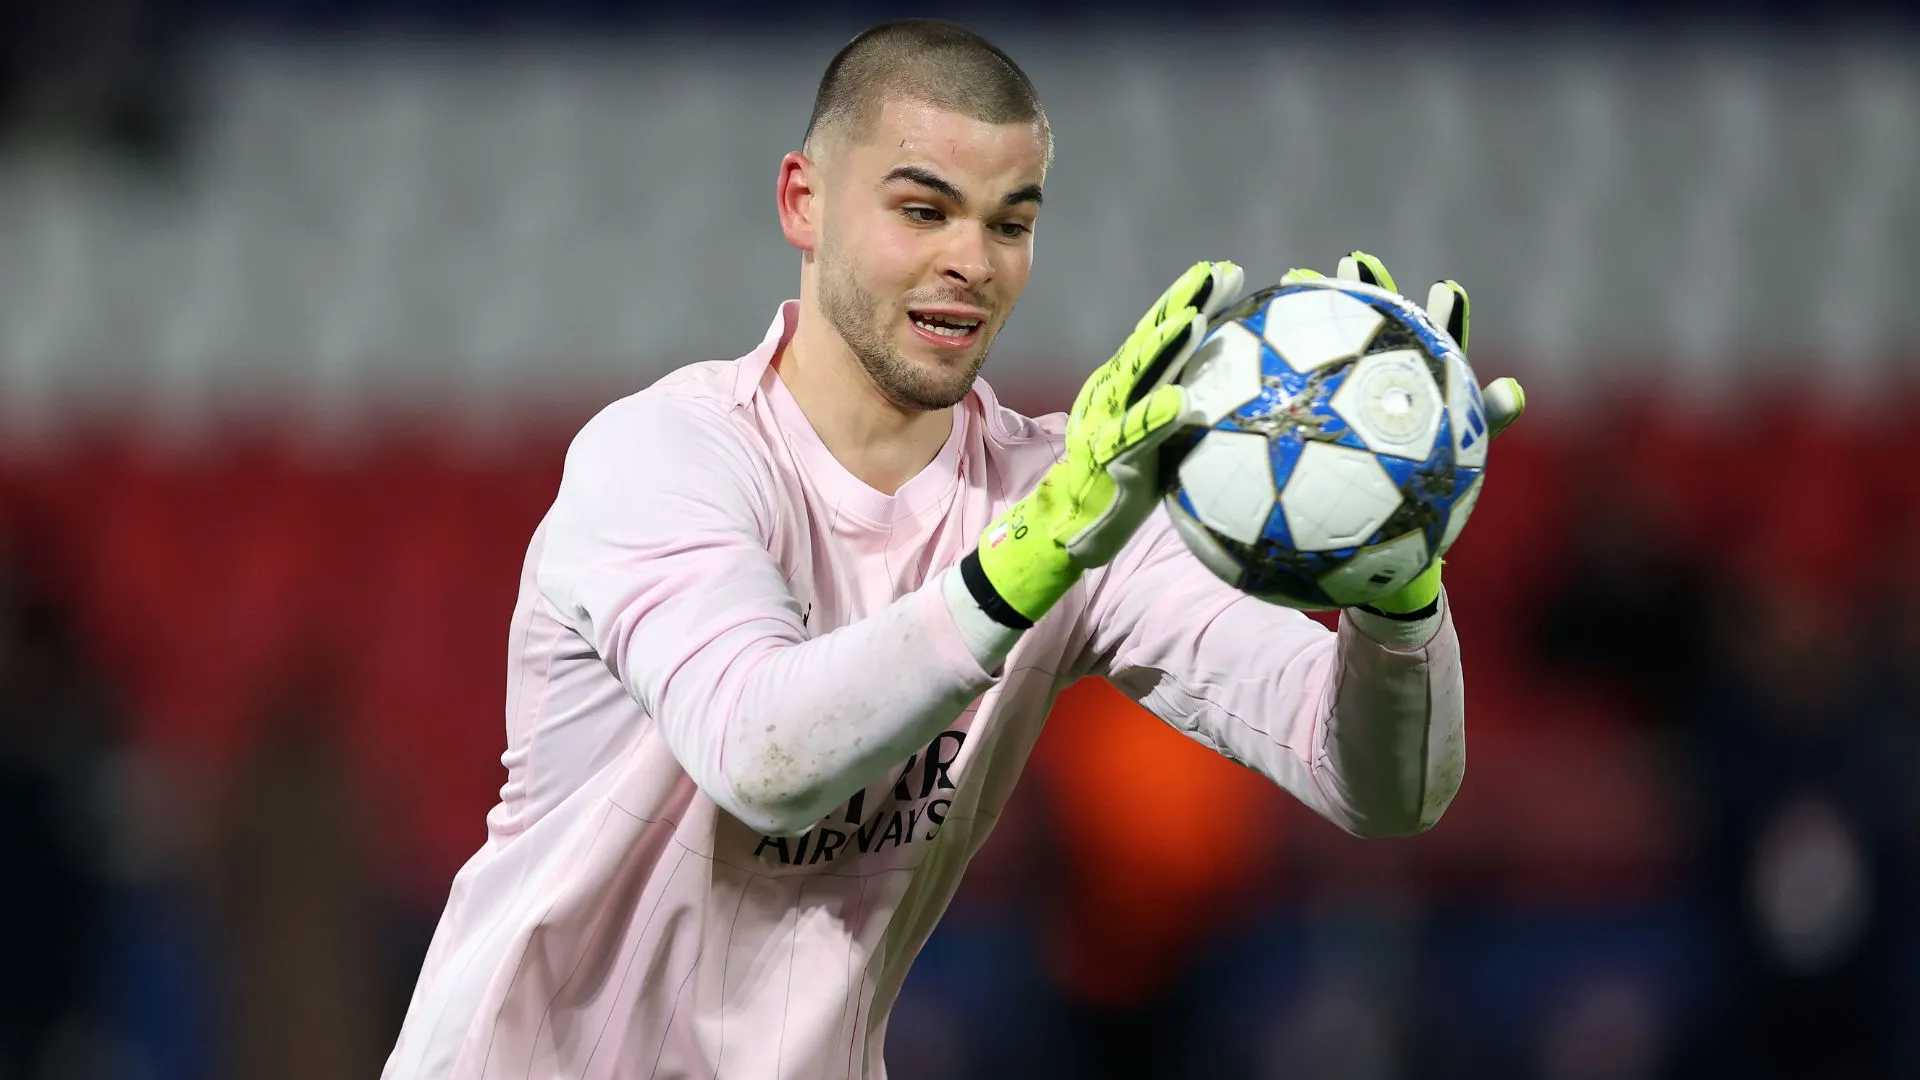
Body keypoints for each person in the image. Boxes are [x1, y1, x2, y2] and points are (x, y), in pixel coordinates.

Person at [382, 18, 1523, 1079]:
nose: (972, 259)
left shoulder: (1068, 497)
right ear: (804, 201)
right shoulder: (665, 459)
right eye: (924, 211)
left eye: (1011, 221)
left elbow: (1381, 788)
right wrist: (1029, 562)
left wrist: (1396, 579)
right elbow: (761, 755)